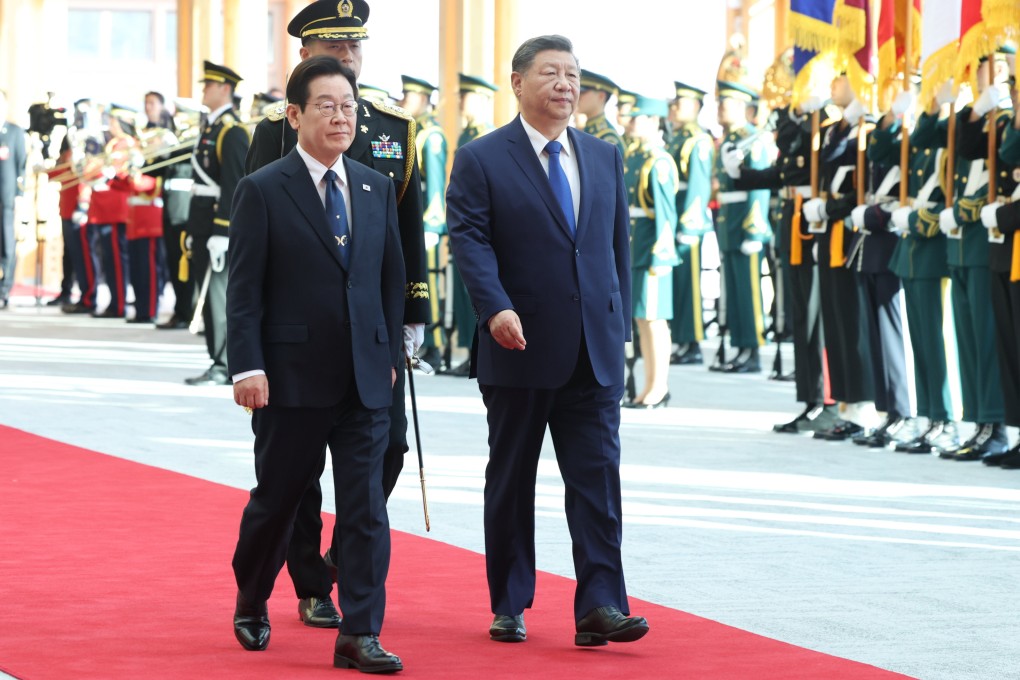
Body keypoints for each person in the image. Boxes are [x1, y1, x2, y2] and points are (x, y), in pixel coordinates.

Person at [447, 34, 648, 648]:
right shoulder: (482, 157)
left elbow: (616, 253)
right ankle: (509, 601)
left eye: (572, 74)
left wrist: (622, 329)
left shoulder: (603, 155)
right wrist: (494, 308)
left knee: (598, 480)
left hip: (594, 350)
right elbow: (470, 240)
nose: (565, 84)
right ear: (517, 82)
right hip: (520, 345)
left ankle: (601, 604)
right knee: (512, 479)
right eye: (551, 73)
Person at [244, 0, 431, 631]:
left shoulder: (392, 128)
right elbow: (257, 250)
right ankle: (307, 581)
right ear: (305, 55)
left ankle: (344, 570)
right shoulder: (274, 131)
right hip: (294, 348)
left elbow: (405, 235)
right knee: (290, 482)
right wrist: (250, 355)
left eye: (354, 47)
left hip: (369, 342)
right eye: (333, 47)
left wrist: (410, 318)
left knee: (388, 456)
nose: (346, 57)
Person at [228, 55, 404, 672]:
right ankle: (252, 596)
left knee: (365, 510)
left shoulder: (375, 187)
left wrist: (388, 353)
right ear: (295, 114)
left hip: (364, 378)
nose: (342, 116)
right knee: (277, 502)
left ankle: (361, 631)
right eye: (327, 105)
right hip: (290, 379)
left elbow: (389, 279)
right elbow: (243, 289)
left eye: (349, 106)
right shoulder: (263, 188)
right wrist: (247, 365)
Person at [183, 60, 249, 385]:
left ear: (224, 88)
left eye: (208, 85)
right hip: (202, 220)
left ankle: (225, 364)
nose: (203, 90)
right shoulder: (210, 127)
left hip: (217, 225)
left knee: (219, 296)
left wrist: (224, 230)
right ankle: (216, 359)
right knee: (207, 296)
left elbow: (235, 184)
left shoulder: (231, 131)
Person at [623, 95, 679, 408]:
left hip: (653, 251)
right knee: (643, 319)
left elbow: (666, 214)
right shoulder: (636, 157)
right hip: (637, 246)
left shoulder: (658, 161)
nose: (631, 122)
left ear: (654, 121)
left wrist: (662, 253)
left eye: (638, 117)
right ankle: (648, 386)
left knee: (655, 320)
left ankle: (659, 386)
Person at [442, 72, 499, 376]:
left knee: (474, 294)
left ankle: (473, 349)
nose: (463, 103)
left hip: (481, 227)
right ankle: (465, 349)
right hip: (462, 219)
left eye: (468, 96)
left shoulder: (485, 136)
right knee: (463, 296)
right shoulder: (467, 134)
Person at [714, 80, 772, 373]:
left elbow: (759, 187)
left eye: (726, 104)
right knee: (735, 290)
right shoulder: (729, 139)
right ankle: (740, 347)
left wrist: (754, 229)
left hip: (746, 223)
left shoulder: (753, 139)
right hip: (729, 222)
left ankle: (752, 349)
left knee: (749, 291)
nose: (720, 109)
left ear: (740, 107)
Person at [399, 74, 447, 368]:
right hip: (416, 219)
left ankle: (436, 347)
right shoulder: (414, 130)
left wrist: (432, 223)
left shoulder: (432, 135)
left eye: (410, 96)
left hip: (426, 222)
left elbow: (436, 184)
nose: (405, 101)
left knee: (428, 284)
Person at [667, 81, 713, 366]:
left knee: (689, 285)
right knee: (679, 284)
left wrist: (690, 224)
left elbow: (698, 185)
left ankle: (692, 341)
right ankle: (682, 340)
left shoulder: (698, 140)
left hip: (687, 220)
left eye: (680, 103)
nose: (674, 107)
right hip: (675, 216)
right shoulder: (679, 137)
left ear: (695, 107)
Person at [0, 88, 27, 309]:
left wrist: (19, 195)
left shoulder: (14, 132)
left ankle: (4, 289)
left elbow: (22, 166)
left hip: (7, 199)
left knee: (8, 246)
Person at [577, 70, 625, 157]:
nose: (578, 97)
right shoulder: (589, 129)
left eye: (582, 93)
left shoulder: (607, 137)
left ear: (601, 96)